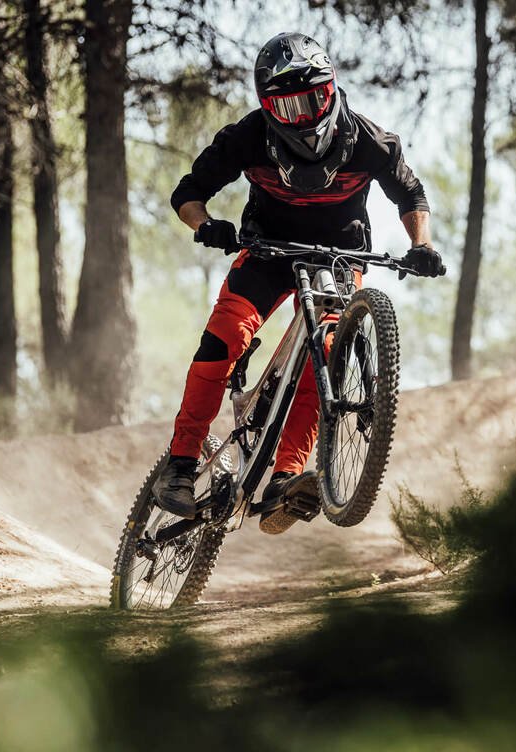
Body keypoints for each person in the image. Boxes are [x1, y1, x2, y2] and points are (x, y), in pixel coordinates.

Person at [153, 32, 442, 534]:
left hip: (340, 255)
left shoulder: (370, 141)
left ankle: (286, 478)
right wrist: (206, 224)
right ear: (267, 108)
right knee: (223, 339)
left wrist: (422, 245)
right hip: (267, 252)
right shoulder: (247, 136)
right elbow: (189, 192)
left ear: (331, 89)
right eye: (287, 106)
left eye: (312, 99)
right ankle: (180, 465)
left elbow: (410, 193)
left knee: (326, 352)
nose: (304, 115)